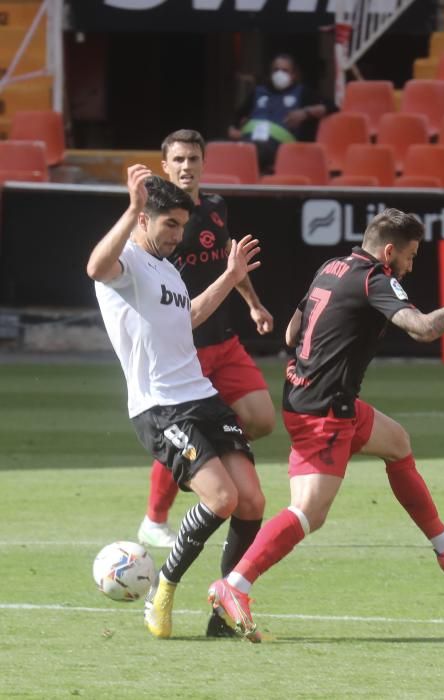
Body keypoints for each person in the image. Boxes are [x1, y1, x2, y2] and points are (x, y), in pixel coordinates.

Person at [206, 208, 444, 641]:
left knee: (397, 442)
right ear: (388, 251)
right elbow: (421, 329)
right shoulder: (375, 278)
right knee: (308, 513)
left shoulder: (332, 266)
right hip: (324, 410)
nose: (411, 266)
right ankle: (234, 585)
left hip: (318, 396)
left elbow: (292, 333)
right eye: (410, 256)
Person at [86, 167, 265, 641]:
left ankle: (224, 610)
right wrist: (129, 208)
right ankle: (162, 588)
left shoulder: (168, 270)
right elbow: (95, 268)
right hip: (160, 407)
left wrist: (230, 277)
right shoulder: (124, 262)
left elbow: (187, 318)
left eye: (182, 226)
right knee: (222, 498)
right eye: (169, 224)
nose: (178, 235)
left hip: (201, 396)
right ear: (144, 219)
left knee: (251, 501)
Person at [137, 129, 275, 554]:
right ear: (165, 165)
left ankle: (209, 460)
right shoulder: (157, 217)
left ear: (203, 162)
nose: (186, 166)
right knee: (188, 434)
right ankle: (154, 520)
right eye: (177, 159)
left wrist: (253, 304)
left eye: (193, 158)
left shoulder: (215, 206)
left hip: (224, 340)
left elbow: (229, 262)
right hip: (184, 351)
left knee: (262, 419)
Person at [228, 53, 337, 172]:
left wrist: (305, 112)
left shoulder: (302, 92)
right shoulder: (258, 92)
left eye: (285, 70)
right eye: (276, 70)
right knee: (214, 147)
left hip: (281, 148)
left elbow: (332, 107)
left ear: (293, 75)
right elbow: (237, 116)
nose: (279, 74)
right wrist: (234, 130)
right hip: (250, 140)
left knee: (250, 152)